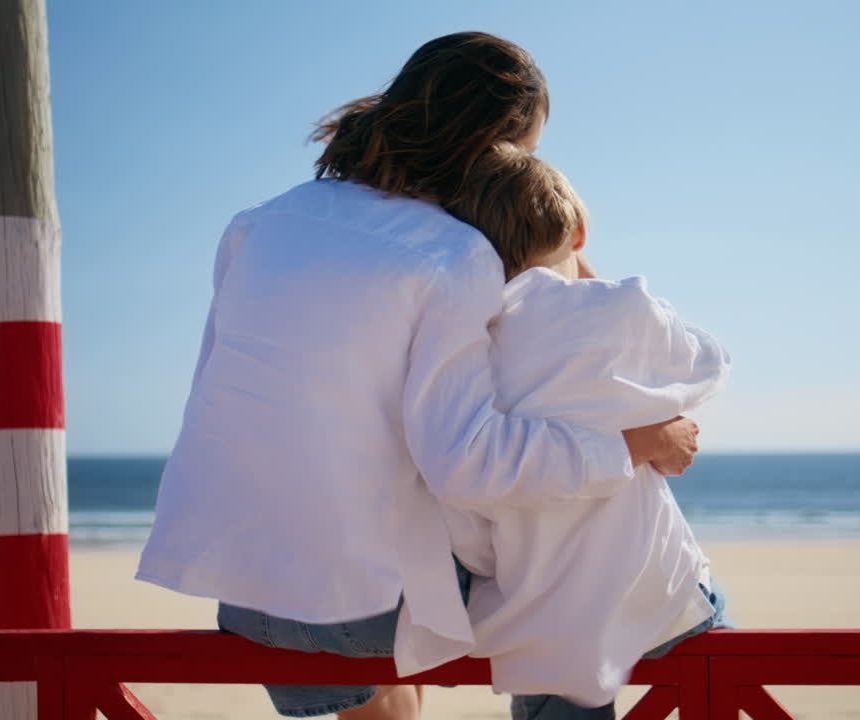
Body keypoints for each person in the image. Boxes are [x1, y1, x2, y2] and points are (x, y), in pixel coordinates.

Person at [135, 32, 701, 720]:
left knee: (397, 539)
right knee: (575, 531)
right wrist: (635, 444)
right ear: (492, 145)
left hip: (247, 591)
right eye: (521, 156)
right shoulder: (454, 254)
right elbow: (474, 463)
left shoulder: (259, 224)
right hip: (365, 611)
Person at [430, 144, 731, 718]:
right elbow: (707, 364)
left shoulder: (471, 348)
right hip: (657, 591)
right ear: (580, 233)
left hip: (541, 621)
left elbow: (464, 517)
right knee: (716, 660)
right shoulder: (621, 311)